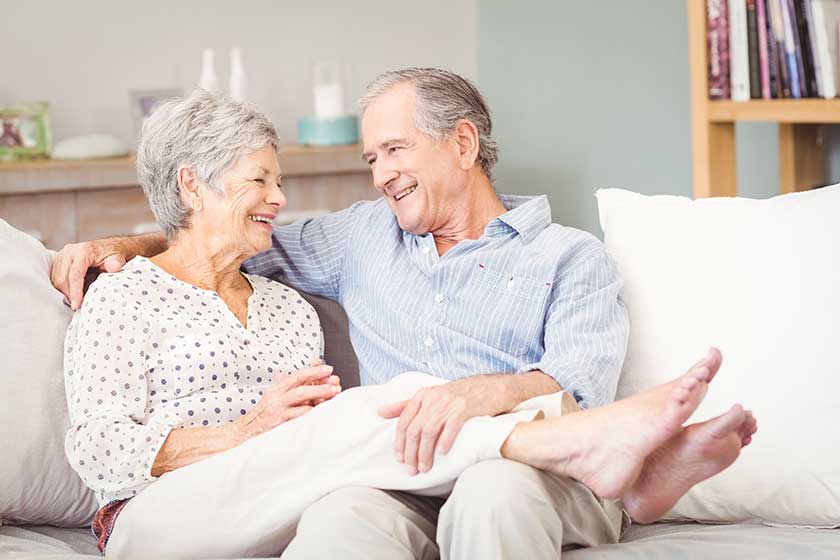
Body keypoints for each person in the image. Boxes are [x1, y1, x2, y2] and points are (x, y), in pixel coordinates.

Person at [53, 73, 756, 559]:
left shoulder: (571, 259)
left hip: (527, 477)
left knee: (489, 490)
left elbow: (581, 390)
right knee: (345, 508)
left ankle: (588, 465)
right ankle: (628, 472)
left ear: (462, 144)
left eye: (394, 150)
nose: (380, 173)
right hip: (388, 477)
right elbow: (208, 242)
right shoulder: (362, 237)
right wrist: (127, 245)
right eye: (370, 158)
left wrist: (480, 394)